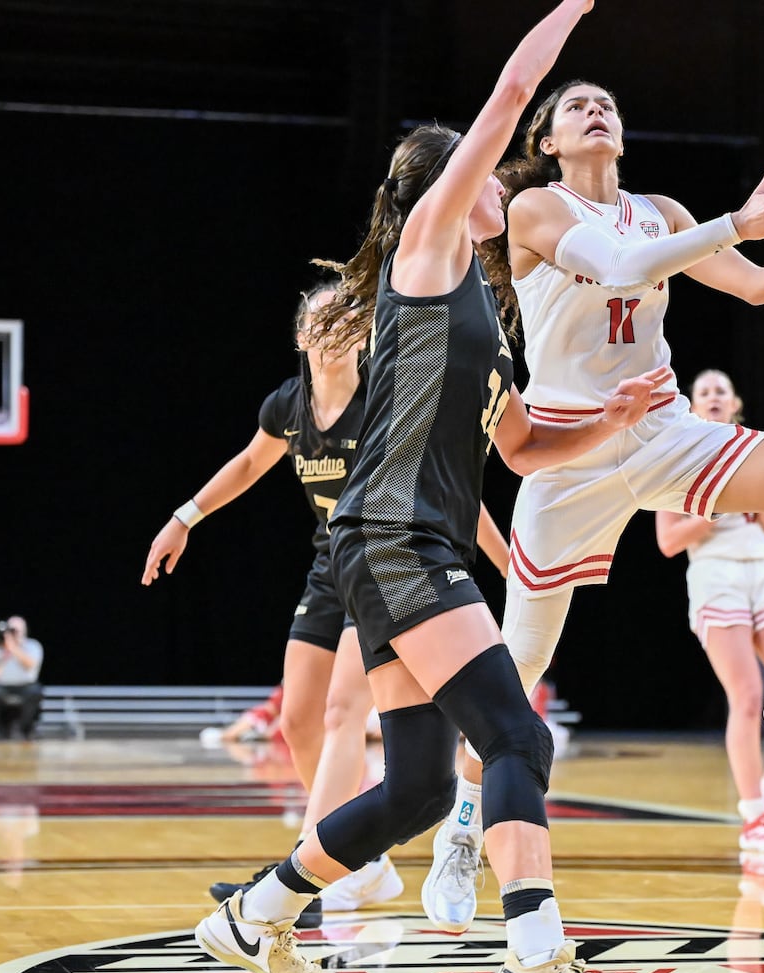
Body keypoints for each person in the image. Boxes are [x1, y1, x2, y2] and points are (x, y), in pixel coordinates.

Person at [194, 0, 669, 973]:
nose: (503, 181)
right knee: (513, 732)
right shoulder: (428, 249)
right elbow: (506, 100)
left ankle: (256, 911)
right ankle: (537, 959)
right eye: (489, 170)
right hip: (397, 541)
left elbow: (523, 450)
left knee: (412, 789)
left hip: (409, 548)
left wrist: (611, 419)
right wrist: (572, 11)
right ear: (450, 187)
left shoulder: (485, 322)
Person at [421, 64, 764, 929]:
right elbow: (618, 268)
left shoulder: (665, 211)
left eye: (605, 102)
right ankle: (461, 828)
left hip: (661, 428)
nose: (594, 110)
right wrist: (740, 222)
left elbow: (755, 285)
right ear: (547, 142)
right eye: (575, 107)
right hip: (568, 453)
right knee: (519, 672)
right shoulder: (538, 211)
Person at [144, 281, 511, 925]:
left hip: (387, 560)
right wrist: (184, 517)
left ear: (366, 335)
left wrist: (509, 562)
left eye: (349, 317)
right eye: (323, 318)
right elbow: (248, 465)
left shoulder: (383, 402)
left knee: (345, 713)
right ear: (300, 336)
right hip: (329, 569)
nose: (336, 327)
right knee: (298, 721)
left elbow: (460, 490)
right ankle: (360, 861)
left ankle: (302, 882)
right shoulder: (288, 407)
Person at [654, 369, 764, 853]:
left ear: (734, 403)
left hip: (763, 571)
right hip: (716, 577)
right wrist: (714, 507)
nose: (714, 397)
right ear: (692, 406)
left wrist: (757, 497)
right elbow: (668, 541)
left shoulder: (753, 449)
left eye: (721, 391)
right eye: (705, 392)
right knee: (747, 694)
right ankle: (752, 816)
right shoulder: (677, 456)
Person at [0, 616, 44, 740]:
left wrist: (13, 647)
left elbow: (30, 665)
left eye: (16, 630)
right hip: (2, 686)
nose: (12, 633)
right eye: (10, 630)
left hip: (25, 686)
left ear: (24, 631)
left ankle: (24, 728)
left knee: (35, 691)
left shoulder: (33, 645)